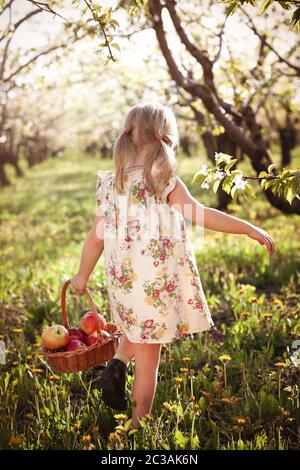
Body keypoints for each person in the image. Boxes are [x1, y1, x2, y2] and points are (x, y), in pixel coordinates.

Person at [70, 102, 275, 428]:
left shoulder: (110, 183)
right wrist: (248, 228)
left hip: (123, 281)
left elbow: (96, 236)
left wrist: (82, 275)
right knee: (150, 359)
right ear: (165, 137)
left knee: (136, 327)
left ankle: (119, 362)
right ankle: (135, 426)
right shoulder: (162, 178)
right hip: (155, 281)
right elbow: (200, 214)